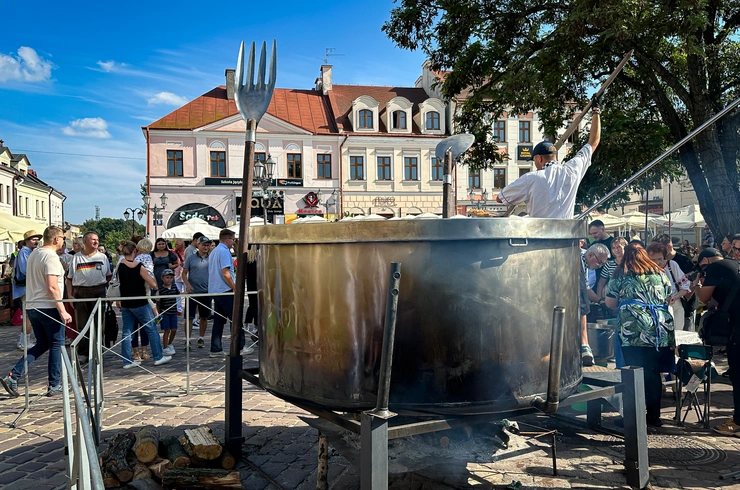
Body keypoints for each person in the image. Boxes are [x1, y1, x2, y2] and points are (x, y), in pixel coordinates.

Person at [605, 243, 674, 427]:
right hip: (660, 328)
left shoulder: (621, 273)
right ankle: (653, 416)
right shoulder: (660, 273)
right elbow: (668, 296)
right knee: (653, 373)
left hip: (634, 329)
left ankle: (633, 417)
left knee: (633, 372)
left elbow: (610, 302)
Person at [496, 99, 601, 218]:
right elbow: (593, 143)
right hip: (565, 234)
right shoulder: (572, 171)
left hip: (540, 234)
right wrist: (596, 112)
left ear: (539, 158)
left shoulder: (531, 178)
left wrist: (524, 195)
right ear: (555, 157)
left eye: (534, 160)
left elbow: (500, 198)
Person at [1, 226, 72, 397]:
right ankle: (54, 384)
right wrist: (62, 310)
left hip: (33, 306)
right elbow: (52, 286)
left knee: (42, 344)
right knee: (56, 344)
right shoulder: (51, 256)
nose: (63, 241)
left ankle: (13, 375)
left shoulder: (34, 254)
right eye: (62, 237)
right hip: (48, 306)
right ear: (56, 239)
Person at [690, 248, 740, 435]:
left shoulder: (715, 268)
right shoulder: (736, 266)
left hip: (737, 331)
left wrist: (696, 285)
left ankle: (737, 423)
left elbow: (703, 298)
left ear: (707, 261)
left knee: (738, 377)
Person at [117, 240, 171, 369]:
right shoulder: (139, 266)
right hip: (140, 301)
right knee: (151, 328)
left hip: (126, 302)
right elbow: (153, 284)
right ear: (135, 251)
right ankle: (158, 356)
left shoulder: (120, 265)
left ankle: (127, 361)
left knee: (127, 332)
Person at [66, 232, 111, 363]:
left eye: (97, 240)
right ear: (85, 241)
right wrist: (70, 295)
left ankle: (97, 351)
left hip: (98, 291)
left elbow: (108, 277)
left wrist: (109, 295)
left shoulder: (102, 257)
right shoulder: (76, 258)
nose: (96, 242)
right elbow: (69, 279)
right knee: (82, 324)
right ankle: (83, 353)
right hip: (81, 292)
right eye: (93, 240)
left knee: (99, 324)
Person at [207, 229, 249, 357]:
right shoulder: (224, 252)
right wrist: (235, 287)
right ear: (227, 239)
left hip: (215, 289)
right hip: (225, 290)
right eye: (233, 239)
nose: (233, 242)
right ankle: (240, 346)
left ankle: (216, 348)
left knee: (219, 321)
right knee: (235, 318)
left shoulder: (214, 252)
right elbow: (225, 273)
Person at [646, 242, 692, 331]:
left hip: (674, 306)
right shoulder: (645, 270)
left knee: (677, 335)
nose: (657, 262)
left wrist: (675, 297)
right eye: (653, 260)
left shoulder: (672, 265)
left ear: (664, 256)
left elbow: (685, 287)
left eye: (659, 258)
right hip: (654, 309)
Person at [580, 243, 610, 366]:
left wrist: (600, 301)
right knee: (583, 305)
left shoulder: (586, 265)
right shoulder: (576, 258)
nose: (599, 266)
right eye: (600, 262)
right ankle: (584, 345)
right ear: (591, 254)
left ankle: (584, 346)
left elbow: (586, 288)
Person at [13, 230, 42, 351]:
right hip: (25, 287)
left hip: (25, 287)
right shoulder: (25, 252)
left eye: (37, 239)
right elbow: (25, 270)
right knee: (28, 316)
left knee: (28, 315)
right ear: (26, 241)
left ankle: (23, 341)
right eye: (33, 239)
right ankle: (24, 342)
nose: (36, 241)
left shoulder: (28, 252)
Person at [182, 236, 212, 348]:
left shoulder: (211, 258)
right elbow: (184, 273)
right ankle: (187, 339)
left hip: (206, 291)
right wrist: (187, 284)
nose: (206, 247)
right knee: (189, 316)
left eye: (208, 245)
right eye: (204, 244)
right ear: (198, 245)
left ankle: (201, 338)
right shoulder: (191, 258)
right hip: (192, 291)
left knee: (204, 317)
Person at [157, 269, 179, 356]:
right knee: (167, 330)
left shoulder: (174, 287)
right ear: (162, 278)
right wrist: (158, 314)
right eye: (167, 277)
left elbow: (178, 294)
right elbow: (158, 302)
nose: (169, 279)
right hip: (165, 312)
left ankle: (170, 344)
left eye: (171, 278)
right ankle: (165, 347)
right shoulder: (161, 289)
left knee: (174, 329)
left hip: (173, 311)